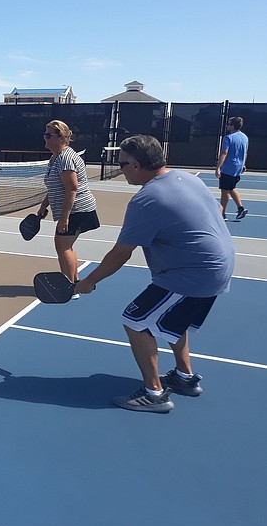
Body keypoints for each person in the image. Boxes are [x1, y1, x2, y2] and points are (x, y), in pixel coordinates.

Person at [75, 135, 235, 413]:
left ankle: (154, 394)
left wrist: (88, 281)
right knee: (174, 321)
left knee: (135, 321)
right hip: (219, 266)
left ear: (136, 165)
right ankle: (185, 378)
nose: (120, 168)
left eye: (122, 163)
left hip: (193, 273)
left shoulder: (146, 200)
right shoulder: (188, 178)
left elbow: (121, 254)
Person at [36, 120, 100, 286]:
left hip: (77, 210)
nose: (45, 138)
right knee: (67, 246)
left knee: (62, 246)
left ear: (61, 138)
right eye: (45, 134)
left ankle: (70, 287)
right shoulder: (55, 158)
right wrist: (44, 206)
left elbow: (71, 188)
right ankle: (75, 281)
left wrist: (65, 218)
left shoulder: (65, 158)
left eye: (49, 135)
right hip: (73, 210)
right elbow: (56, 187)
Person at [216, 116, 248, 220]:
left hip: (229, 168)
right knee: (231, 188)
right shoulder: (245, 137)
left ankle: (222, 214)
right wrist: (243, 164)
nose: (227, 126)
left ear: (233, 126)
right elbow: (245, 153)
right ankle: (240, 208)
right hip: (237, 168)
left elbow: (224, 153)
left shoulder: (228, 138)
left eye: (229, 124)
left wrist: (218, 167)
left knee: (225, 191)